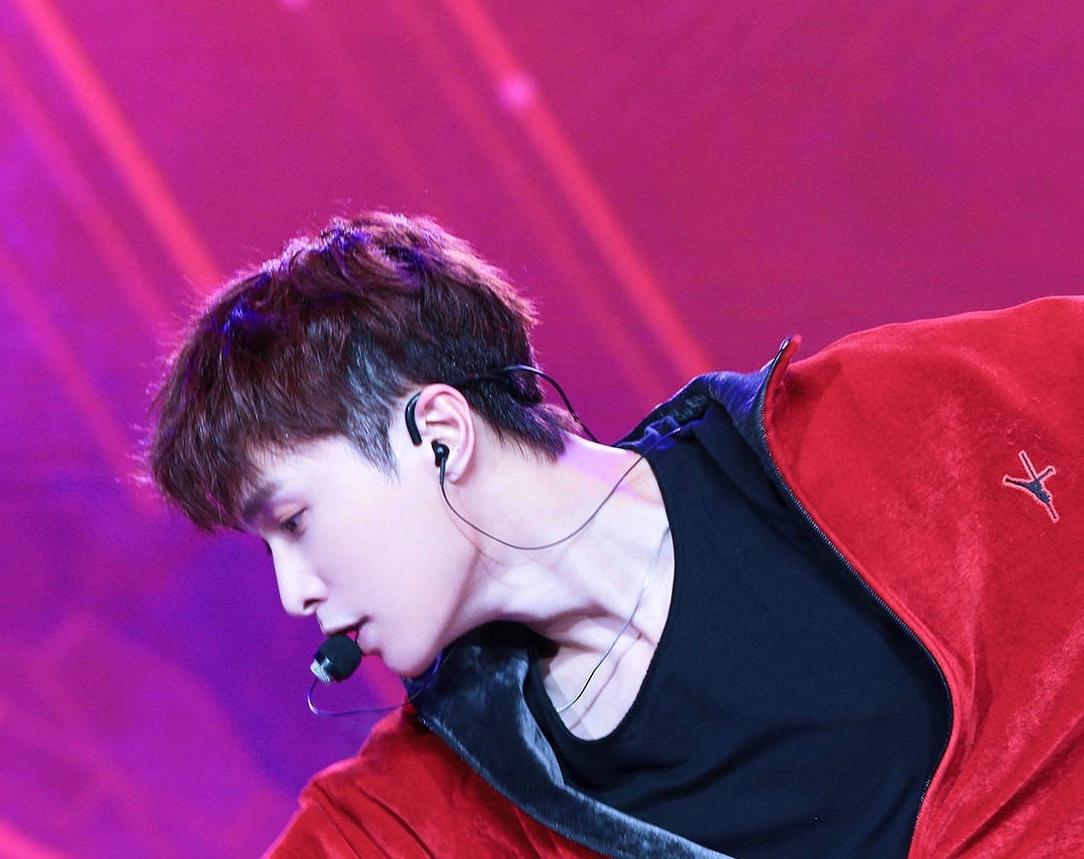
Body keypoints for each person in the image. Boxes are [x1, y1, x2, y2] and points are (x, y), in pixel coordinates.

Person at [148, 211, 1084, 858]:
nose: (293, 592)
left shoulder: (893, 419)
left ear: (437, 432)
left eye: (294, 520)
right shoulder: (421, 816)